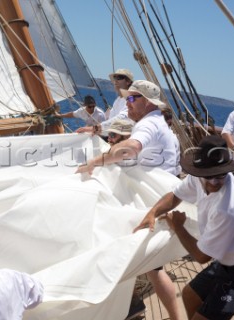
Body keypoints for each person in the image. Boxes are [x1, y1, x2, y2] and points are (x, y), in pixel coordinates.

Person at [134, 135, 234, 320]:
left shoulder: (229, 208)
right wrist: (152, 212)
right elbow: (176, 195)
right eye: (209, 176)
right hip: (230, 259)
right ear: (200, 171)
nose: (215, 182)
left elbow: (202, 256)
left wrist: (178, 226)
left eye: (221, 175)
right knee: (189, 295)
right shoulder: (198, 178)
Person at [77, 80, 181, 320]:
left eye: (132, 99)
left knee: (106, 245)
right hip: (155, 204)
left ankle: (128, 307)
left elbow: (131, 148)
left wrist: (94, 162)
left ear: (146, 102)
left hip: (148, 209)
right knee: (151, 269)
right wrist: (97, 131)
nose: (127, 103)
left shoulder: (148, 125)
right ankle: (139, 308)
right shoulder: (155, 123)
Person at [76, 69, 133, 136]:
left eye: (119, 78)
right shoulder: (117, 100)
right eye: (115, 78)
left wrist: (96, 128)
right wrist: (94, 129)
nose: (115, 81)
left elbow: (123, 118)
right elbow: (110, 120)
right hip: (114, 136)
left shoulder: (132, 98)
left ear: (128, 81)